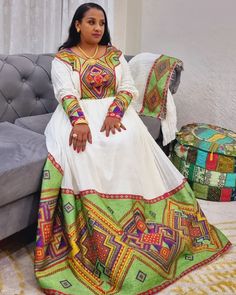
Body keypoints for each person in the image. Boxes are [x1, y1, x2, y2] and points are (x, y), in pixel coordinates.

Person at [34, 3, 231, 295]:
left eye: (101, 22)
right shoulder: (63, 59)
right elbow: (65, 92)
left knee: (127, 138)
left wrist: (115, 113)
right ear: (77, 25)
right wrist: (79, 122)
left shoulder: (114, 55)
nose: (97, 27)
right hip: (76, 114)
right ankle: (102, 230)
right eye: (91, 22)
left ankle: (140, 215)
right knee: (84, 148)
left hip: (114, 113)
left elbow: (127, 88)